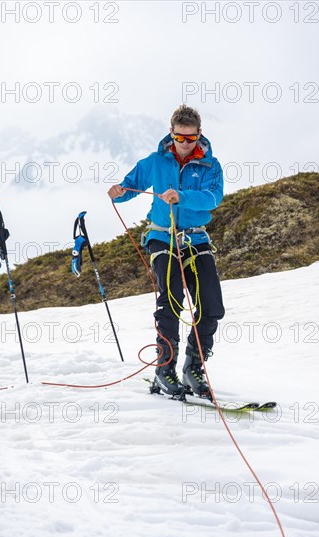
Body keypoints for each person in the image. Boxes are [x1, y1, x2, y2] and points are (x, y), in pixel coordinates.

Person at [108, 105, 225, 398]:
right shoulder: (155, 161)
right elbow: (130, 186)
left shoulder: (211, 165)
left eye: (191, 138)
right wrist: (119, 192)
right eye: (180, 138)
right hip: (162, 238)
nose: (185, 144)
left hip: (196, 239)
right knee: (170, 301)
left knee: (211, 306)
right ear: (171, 133)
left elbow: (213, 198)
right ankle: (164, 369)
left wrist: (182, 196)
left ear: (200, 135)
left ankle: (193, 368)